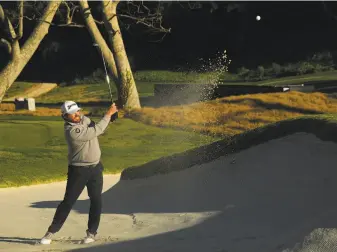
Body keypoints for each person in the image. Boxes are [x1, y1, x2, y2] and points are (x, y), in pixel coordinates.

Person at [39, 101, 118, 245]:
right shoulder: (71, 131)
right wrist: (108, 114)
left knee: (96, 200)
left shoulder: (84, 119)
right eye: (73, 113)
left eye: (77, 111)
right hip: (79, 170)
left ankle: (91, 232)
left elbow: (96, 125)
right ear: (65, 116)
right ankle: (51, 232)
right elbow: (95, 130)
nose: (77, 114)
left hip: (95, 168)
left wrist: (110, 118)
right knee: (68, 202)